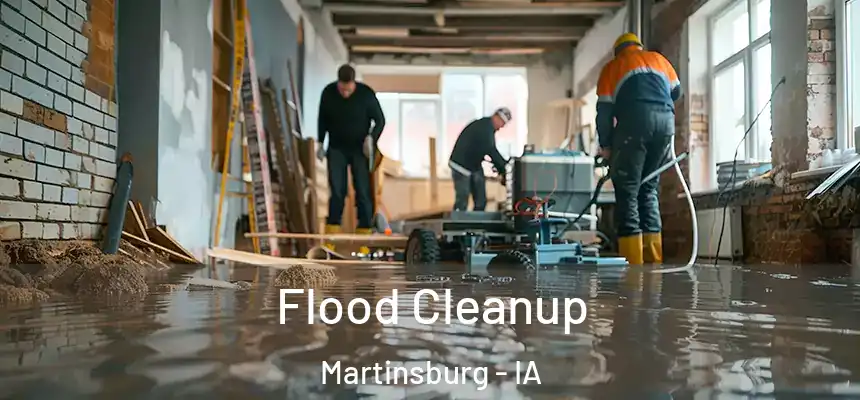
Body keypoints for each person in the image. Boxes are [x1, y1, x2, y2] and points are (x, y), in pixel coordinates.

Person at [595, 32, 682, 265]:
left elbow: (604, 112)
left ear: (618, 51)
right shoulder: (659, 59)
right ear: (638, 46)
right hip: (665, 125)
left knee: (628, 191)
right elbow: (676, 92)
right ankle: (654, 260)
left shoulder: (613, 67)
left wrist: (606, 146)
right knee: (649, 188)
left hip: (634, 124)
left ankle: (633, 263)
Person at [316, 64, 386, 236]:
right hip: (336, 148)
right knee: (337, 192)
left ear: (354, 83)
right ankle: (331, 234)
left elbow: (380, 120)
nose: (345, 94)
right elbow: (322, 119)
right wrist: (319, 142)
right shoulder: (328, 93)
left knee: (363, 192)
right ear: (338, 83)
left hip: (359, 150)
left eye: (348, 90)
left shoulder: (366, 94)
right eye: (342, 90)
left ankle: (364, 235)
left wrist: (371, 138)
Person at [448, 107, 512, 211]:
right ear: (496, 117)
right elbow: (491, 150)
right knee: (462, 200)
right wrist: (505, 168)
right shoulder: (485, 128)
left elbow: (487, 151)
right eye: (502, 123)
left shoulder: (487, 127)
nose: (502, 127)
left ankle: (477, 222)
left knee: (481, 200)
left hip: (473, 165)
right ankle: (458, 223)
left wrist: (502, 168)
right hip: (461, 165)